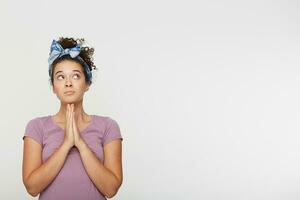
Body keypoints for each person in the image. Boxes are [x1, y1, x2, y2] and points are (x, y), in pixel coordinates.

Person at [22, 37, 123, 200]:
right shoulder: (36, 127)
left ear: (87, 83)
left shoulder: (108, 127)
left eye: (75, 76)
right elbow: (32, 188)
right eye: (60, 77)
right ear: (53, 86)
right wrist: (67, 144)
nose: (68, 83)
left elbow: (111, 189)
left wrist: (80, 144)